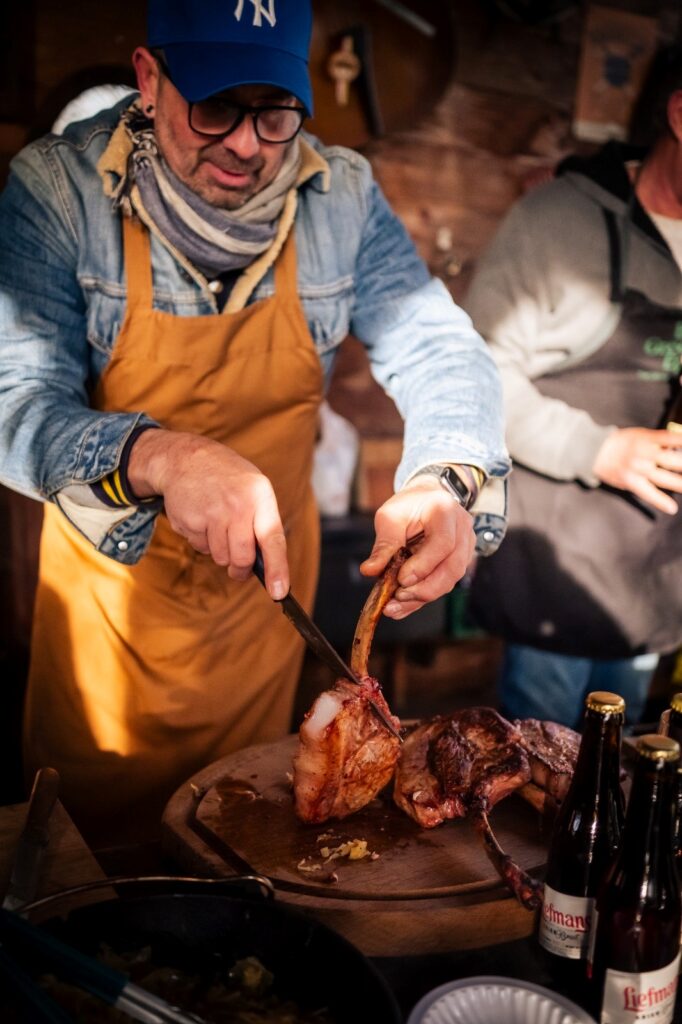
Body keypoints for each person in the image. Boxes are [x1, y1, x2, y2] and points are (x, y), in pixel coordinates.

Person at [0, 0, 509, 843]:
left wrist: (445, 478)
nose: (246, 144)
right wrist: (161, 455)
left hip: (262, 612)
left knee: (251, 835)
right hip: (112, 620)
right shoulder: (59, 189)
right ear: (149, 79)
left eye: (274, 113)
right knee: (96, 863)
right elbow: (15, 397)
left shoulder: (340, 195)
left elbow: (437, 346)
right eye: (215, 107)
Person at [465, 45, 682, 731]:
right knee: (542, 763)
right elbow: (477, 376)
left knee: (622, 757)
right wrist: (600, 449)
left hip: (656, 571)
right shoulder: (559, 221)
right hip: (555, 570)